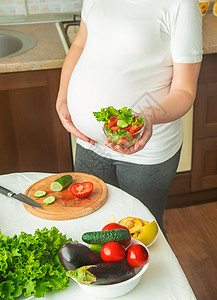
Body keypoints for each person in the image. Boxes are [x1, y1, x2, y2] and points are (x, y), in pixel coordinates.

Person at [56, 0, 203, 234]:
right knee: (94, 226)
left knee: (140, 234)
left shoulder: (180, 5)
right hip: (89, 143)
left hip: (144, 152)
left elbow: (184, 91)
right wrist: (63, 97)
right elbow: (79, 45)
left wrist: (147, 117)